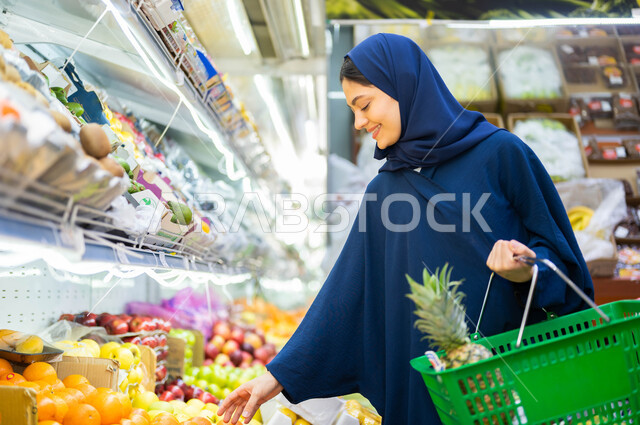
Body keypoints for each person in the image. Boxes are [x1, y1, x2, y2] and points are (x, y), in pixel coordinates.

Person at [217, 33, 593, 424]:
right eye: (352, 111)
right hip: (416, 391)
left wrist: (527, 270)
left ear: (404, 85)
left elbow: (568, 268)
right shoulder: (385, 189)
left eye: (364, 105)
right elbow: (346, 292)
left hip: (504, 385)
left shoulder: (502, 155)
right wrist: (276, 377)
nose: (360, 123)